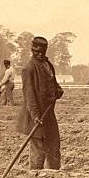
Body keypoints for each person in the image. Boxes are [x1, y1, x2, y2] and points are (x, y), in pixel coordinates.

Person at [18, 36, 64, 170]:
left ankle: (53, 173)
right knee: (38, 146)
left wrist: (58, 91)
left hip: (49, 113)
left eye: (42, 52)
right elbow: (29, 95)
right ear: (32, 50)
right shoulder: (29, 68)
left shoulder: (48, 65)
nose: (39, 54)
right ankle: (35, 175)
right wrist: (35, 115)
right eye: (36, 52)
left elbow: (54, 84)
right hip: (36, 115)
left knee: (54, 143)